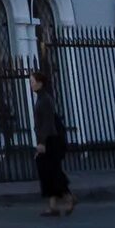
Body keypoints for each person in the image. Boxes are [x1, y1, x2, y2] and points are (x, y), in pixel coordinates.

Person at [32, 69, 75, 216]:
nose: (31, 85)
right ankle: (53, 206)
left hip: (50, 141)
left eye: (32, 82)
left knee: (52, 172)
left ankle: (68, 198)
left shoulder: (45, 100)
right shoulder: (42, 98)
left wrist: (42, 143)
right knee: (49, 172)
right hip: (47, 140)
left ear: (40, 83)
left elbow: (48, 123)